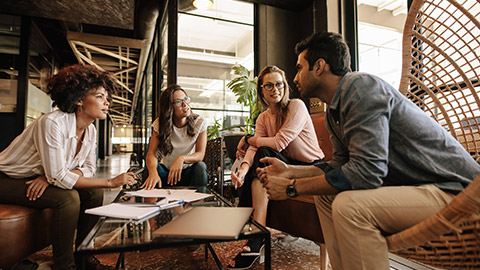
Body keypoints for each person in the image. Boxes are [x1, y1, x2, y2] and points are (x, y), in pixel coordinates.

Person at [257, 32, 480, 270]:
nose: (295, 77)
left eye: (300, 68)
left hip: (460, 192)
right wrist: (290, 171)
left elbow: (367, 173)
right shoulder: (335, 111)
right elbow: (339, 165)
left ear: (319, 66)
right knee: (327, 198)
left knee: (350, 207)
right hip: (420, 189)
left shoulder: (361, 87)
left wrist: (292, 188)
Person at [0, 64, 136, 270]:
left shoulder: (90, 130)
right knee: (68, 199)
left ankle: (85, 257)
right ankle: (65, 265)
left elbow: (89, 167)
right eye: (99, 96)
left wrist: (49, 177)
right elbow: (59, 175)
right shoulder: (52, 123)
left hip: (37, 177)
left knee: (93, 194)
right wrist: (110, 182)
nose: (107, 102)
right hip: (6, 179)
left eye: (107, 97)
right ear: (79, 99)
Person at [229, 65, 324, 269]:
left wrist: (247, 138)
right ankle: (256, 232)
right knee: (261, 156)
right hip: (285, 166)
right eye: (269, 85)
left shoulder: (296, 106)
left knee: (265, 154)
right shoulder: (263, 117)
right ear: (261, 89)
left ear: (285, 86)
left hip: (310, 168)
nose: (275, 89)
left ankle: (255, 235)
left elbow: (279, 143)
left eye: (279, 84)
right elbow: (255, 148)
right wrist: (243, 170)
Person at [141, 84, 208, 190]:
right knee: (150, 170)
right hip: (167, 174)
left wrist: (181, 159)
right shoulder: (160, 124)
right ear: (169, 107)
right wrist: (153, 173)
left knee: (200, 167)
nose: (185, 105)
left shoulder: (199, 122)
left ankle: (198, 205)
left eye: (186, 99)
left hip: (189, 172)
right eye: (178, 102)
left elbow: (200, 155)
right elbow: (151, 153)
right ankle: (149, 202)